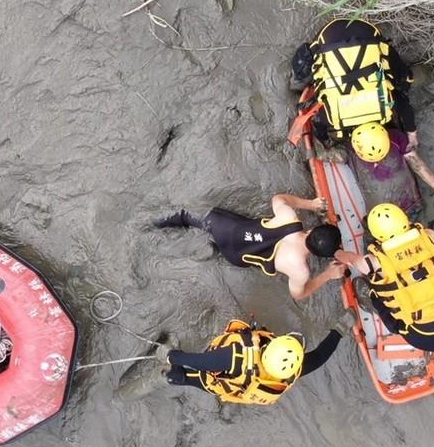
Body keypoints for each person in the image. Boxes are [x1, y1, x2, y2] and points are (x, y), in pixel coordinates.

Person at [155, 193, 346, 300]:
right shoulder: (300, 270)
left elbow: (279, 199)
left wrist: (311, 204)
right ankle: (214, 250)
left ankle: (151, 225)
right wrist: (328, 275)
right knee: (237, 253)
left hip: (229, 230)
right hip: (237, 258)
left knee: (185, 215)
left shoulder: (289, 218)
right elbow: (299, 294)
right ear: (319, 255)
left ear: (312, 230)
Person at [335, 203, 434, 351]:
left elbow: (350, 259)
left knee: (376, 292)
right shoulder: (430, 236)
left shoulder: (372, 262)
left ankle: (372, 303)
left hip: (424, 338)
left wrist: (336, 252)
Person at [291, 18, 418, 163]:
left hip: (366, 32)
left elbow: (403, 103)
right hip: (328, 37)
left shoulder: (385, 107)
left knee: (404, 82)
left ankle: (297, 82)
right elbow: (318, 123)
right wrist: (327, 144)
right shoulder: (332, 119)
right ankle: (297, 80)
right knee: (300, 81)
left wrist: (412, 133)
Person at [162, 312, 355, 406]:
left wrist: (171, 356)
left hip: (223, 377)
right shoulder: (291, 370)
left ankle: (174, 377)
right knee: (201, 376)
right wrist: (339, 329)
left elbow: (200, 362)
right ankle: (178, 376)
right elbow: (320, 356)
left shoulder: (236, 357)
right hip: (245, 387)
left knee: (197, 378)